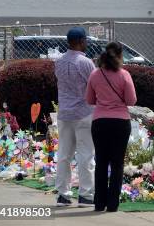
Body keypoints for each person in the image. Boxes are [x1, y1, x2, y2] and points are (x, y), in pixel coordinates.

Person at [86, 42, 137, 212]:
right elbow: (131, 101)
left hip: (100, 122)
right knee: (117, 164)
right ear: (120, 56)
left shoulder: (95, 74)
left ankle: (99, 203)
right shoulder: (124, 75)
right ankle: (113, 204)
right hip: (120, 122)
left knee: (101, 162)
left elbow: (89, 100)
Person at [54, 27, 96, 207]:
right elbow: (94, 86)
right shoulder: (86, 63)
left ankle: (63, 195)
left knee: (64, 154)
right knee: (85, 154)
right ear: (80, 41)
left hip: (64, 113)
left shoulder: (59, 62)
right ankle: (85, 195)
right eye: (85, 40)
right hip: (83, 112)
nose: (86, 43)